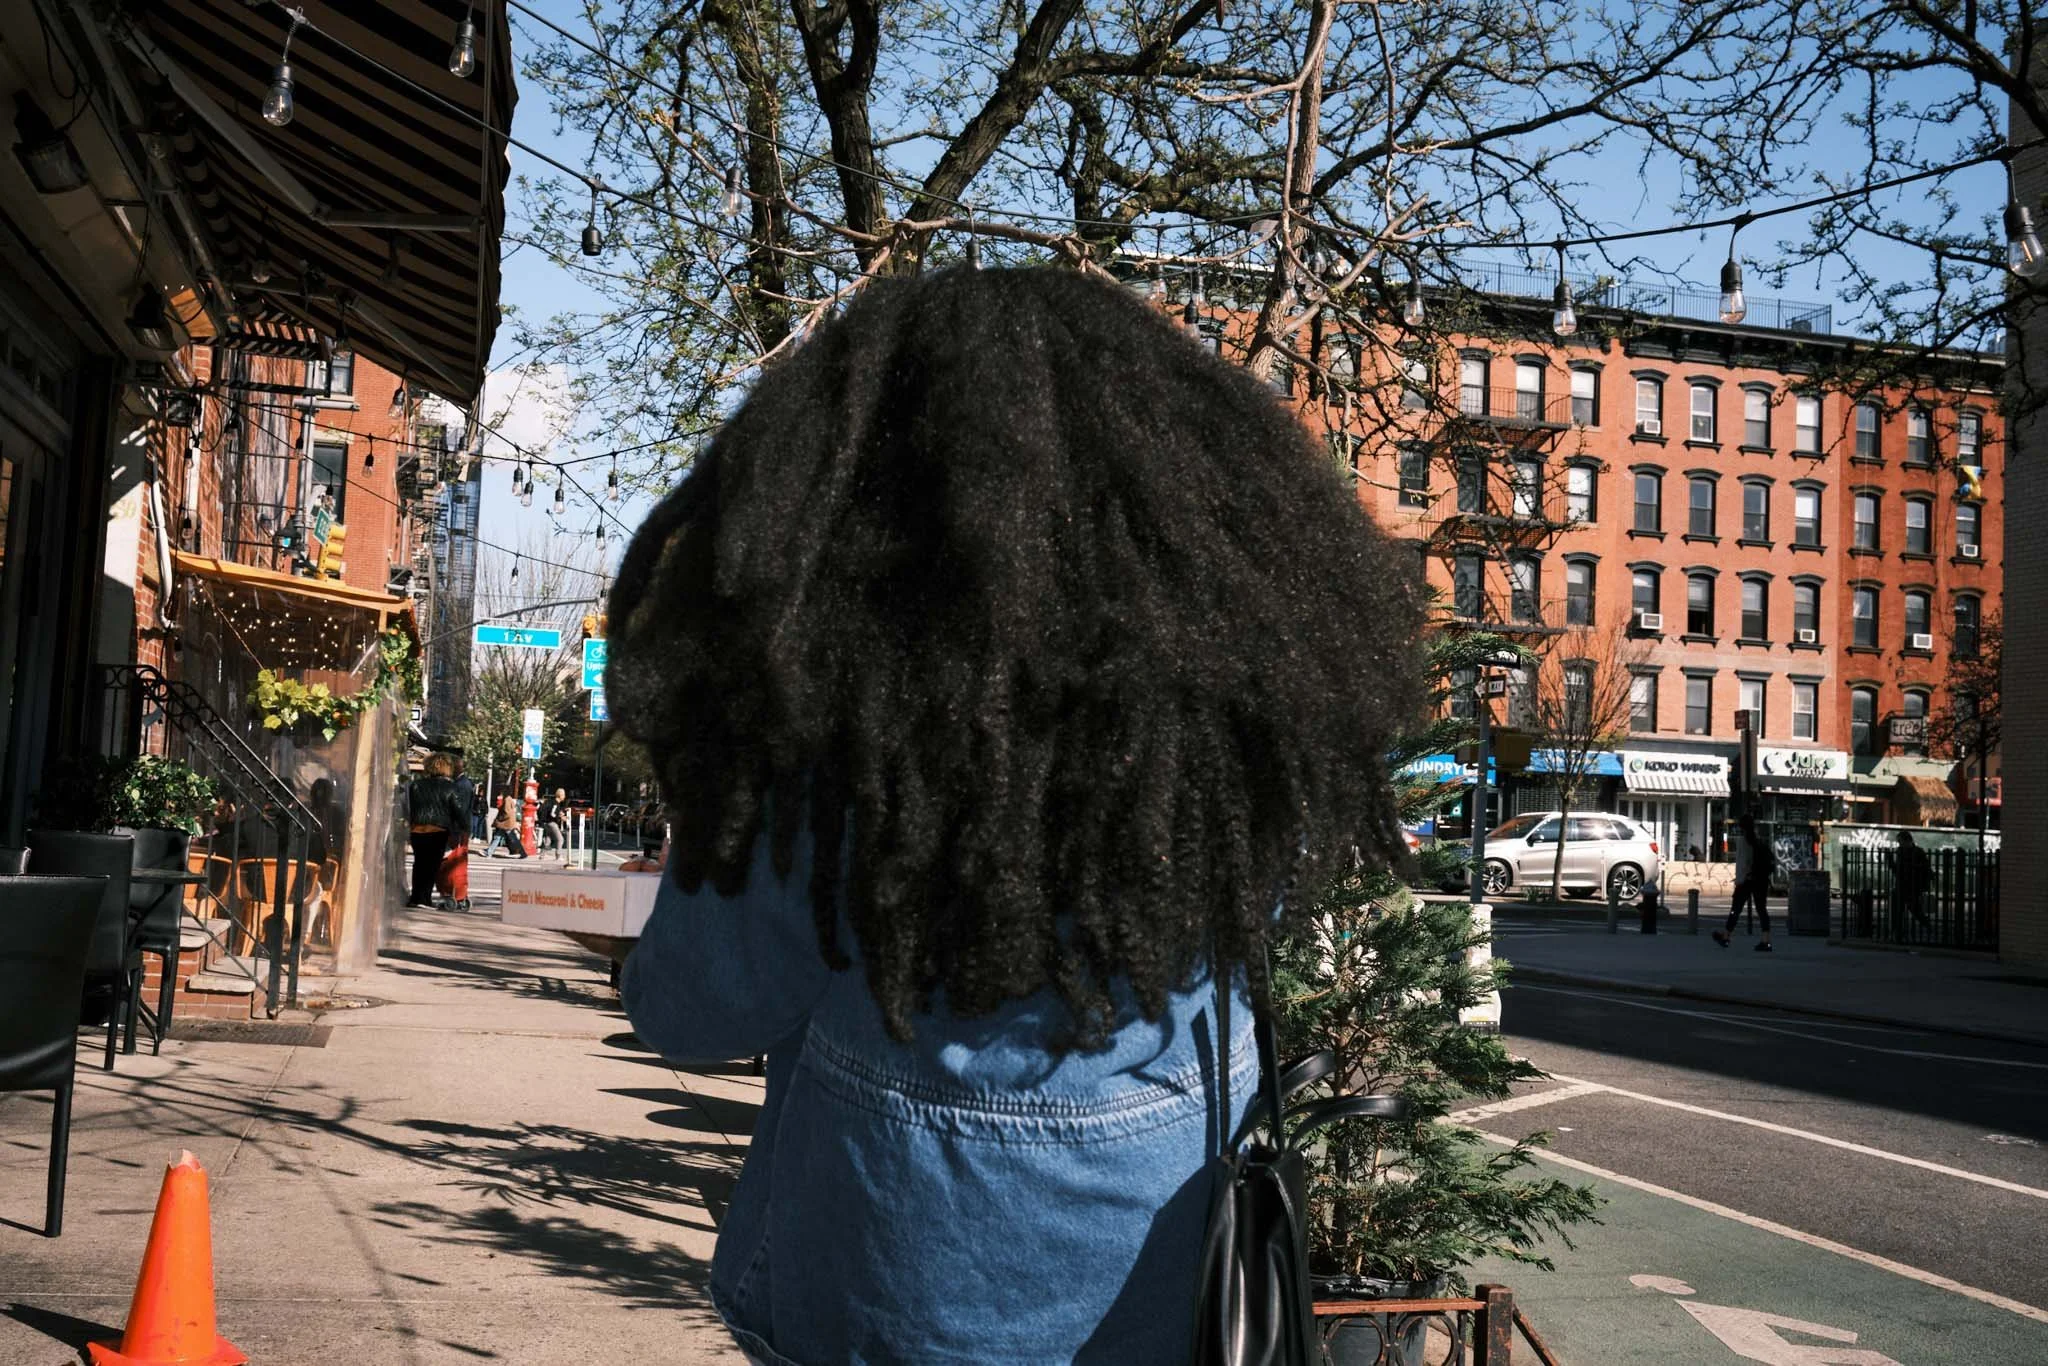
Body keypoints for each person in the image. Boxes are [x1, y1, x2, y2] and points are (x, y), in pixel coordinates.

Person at [602, 267, 1422, 1363]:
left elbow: (694, 1015)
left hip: (877, 1293)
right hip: (1159, 1284)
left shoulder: (822, 746)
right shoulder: (1213, 748)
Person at [404, 754, 466, 908]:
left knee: (419, 863)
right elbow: (458, 810)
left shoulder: (416, 785)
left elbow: (409, 808)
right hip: (438, 829)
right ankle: (424, 898)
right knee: (431, 865)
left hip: (417, 830)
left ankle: (416, 896)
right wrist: (462, 829)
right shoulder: (451, 787)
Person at [1714, 813, 1776, 951]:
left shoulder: (1743, 841)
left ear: (1741, 827)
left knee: (1735, 909)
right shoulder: (1758, 840)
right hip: (1761, 880)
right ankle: (1766, 940)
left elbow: (1742, 863)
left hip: (1747, 880)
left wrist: (1739, 880)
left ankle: (1726, 936)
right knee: (1761, 910)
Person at [1894, 831, 1933, 930]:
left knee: (1914, 908)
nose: (1899, 843)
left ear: (1907, 840)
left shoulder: (1918, 852)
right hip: (1902, 884)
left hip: (1914, 885)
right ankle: (1898, 929)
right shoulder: (1900, 851)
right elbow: (1898, 869)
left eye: (1900, 841)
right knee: (1899, 908)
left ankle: (1926, 924)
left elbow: (1926, 868)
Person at [536, 786, 561, 855]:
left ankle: (542, 855)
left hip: (545, 822)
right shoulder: (555, 803)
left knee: (548, 840)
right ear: (560, 795)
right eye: (563, 795)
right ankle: (558, 855)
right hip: (552, 823)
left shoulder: (550, 801)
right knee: (560, 839)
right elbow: (552, 814)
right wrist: (559, 817)